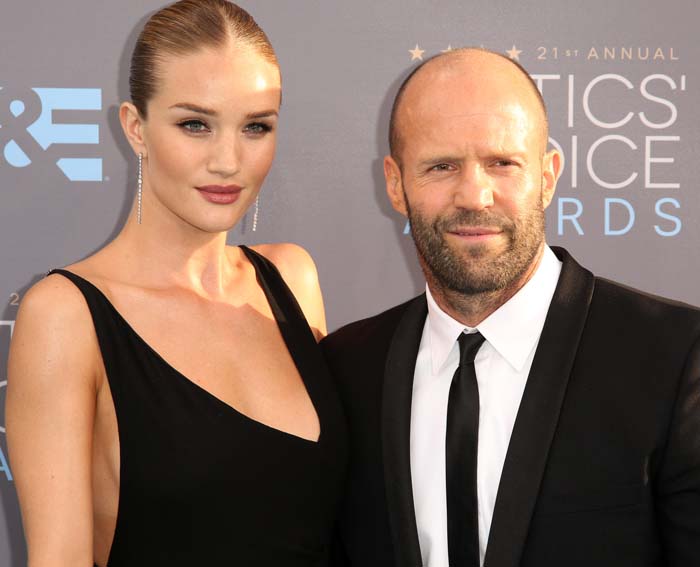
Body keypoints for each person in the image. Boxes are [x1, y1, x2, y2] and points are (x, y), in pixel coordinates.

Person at [323, 48, 700, 567]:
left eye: (502, 162)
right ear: (395, 182)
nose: (475, 195)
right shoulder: (347, 368)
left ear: (547, 177)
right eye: (441, 166)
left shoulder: (676, 357)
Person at [6, 1, 346, 565]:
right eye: (195, 124)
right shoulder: (67, 316)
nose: (228, 161)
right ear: (135, 128)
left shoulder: (291, 278)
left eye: (256, 127)